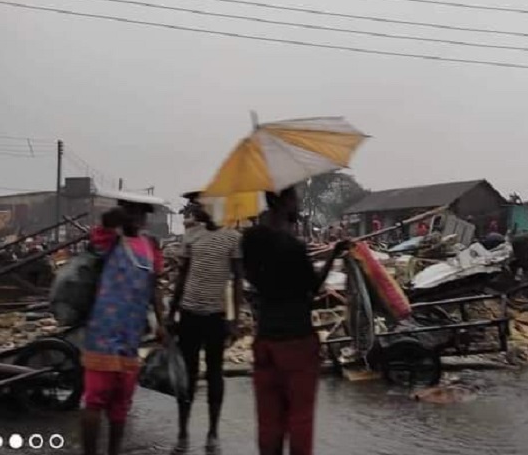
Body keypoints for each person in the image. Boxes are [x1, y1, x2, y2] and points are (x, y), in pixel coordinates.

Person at [242, 187, 348, 455]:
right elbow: (312, 288)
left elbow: (253, 281)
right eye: (294, 198)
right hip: (297, 341)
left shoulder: (250, 242)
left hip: (265, 338)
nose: (298, 203)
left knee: (268, 422)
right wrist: (334, 256)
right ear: (283, 202)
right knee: (300, 419)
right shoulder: (292, 247)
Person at [81, 198, 166, 455]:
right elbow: (102, 228)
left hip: (132, 335)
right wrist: (115, 216)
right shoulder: (109, 241)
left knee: (121, 404)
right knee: (95, 399)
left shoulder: (151, 246)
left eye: (142, 213)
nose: (138, 218)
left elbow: (154, 288)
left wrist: (162, 324)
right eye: (133, 212)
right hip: (103, 334)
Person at [168, 206, 243, 453]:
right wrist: (171, 312)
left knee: (214, 374)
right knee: (186, 376)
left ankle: (213, 433)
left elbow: (238, 280)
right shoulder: (191, 235)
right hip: (189, 313)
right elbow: (182, 275)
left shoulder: (233, 237)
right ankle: (182, 432)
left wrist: (235, 319)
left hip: (216, 316)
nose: (203, 210)